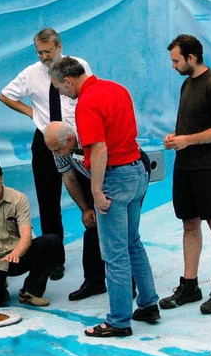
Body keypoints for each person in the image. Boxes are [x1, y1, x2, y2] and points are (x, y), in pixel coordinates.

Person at [49, 57, 159, 338]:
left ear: (69, 81)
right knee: (133, 242)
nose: (62, 94)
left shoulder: (86, 103)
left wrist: (97, 191)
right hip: (137, 171)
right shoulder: (116, 88)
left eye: (61, 89)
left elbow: (98, 149)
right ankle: (148, 304)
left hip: (116, 177)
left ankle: (119, 321)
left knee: (115, 253)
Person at [0, 27, 92, 281]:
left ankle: (96, 258)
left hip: (76, 137)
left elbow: (89, 94)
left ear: (59, 46)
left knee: (88, 193)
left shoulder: (77, 65)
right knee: (48, 201)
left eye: (47, 51)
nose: (43, 57)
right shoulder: (31, 73)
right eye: (39, 52)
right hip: (46, 139)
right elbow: (5, 95)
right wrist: (32, 113)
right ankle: (55, 259)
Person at [160, 34, 211, 314]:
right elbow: (192, 125)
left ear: (192, 58)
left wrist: (188, 140)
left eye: (176, 60)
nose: (173, 65)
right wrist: (176, 137)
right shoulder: (187, 85)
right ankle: (190, 284)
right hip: (185, 167)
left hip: (209, 166)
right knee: (189, 224)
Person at [45, 122, 153, 302]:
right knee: (92, 225)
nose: (55, 154)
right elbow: (70, 179)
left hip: (123, 171)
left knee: (121, 231)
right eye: (53, 150)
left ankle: (128, 285)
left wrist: (100, 197)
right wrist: (85, 209)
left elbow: (109, 166)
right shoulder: (60, 147)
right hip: (97, 177)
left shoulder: (91, 139)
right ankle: (94, 281)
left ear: (70, 140)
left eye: (57, 150)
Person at [0, 160, 60, 309]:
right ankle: (0, 288)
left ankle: (31, 292)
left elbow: (26, 236)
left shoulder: (18, 199)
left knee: (51, 241)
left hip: (17, 255)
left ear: (1, 179)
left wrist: (16, 253)